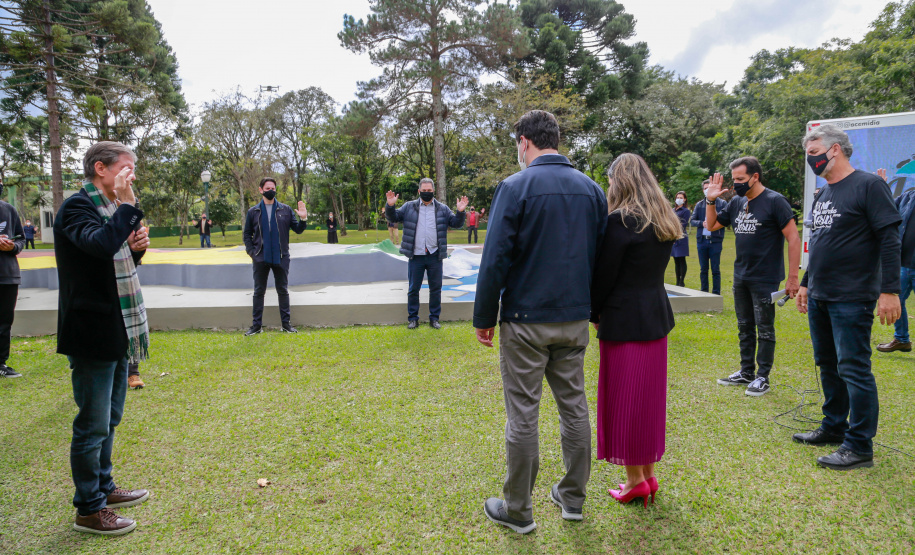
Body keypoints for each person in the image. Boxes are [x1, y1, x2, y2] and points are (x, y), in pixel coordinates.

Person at [474, 110, 607, 534]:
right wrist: (597, 312)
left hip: (525, 321)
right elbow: (601, 260)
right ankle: (572, 499)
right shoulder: (591, 189)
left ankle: (518, 509)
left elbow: (494, 257)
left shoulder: (515, 187)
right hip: (575, 320)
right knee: (574, 408)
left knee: (523, 415)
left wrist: (483, 317)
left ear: (525, 141)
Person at [54, 141, 152, 535]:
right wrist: (128, 209)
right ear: (100, 169)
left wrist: (135, 250)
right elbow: (97, 245)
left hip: (116, 326)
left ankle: (105, 487)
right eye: (126, 168)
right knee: (92, 424)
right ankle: (89, 510)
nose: (131, 176)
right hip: (90, 330)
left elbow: (112, 256)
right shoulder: (77, 206)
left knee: (109, 419)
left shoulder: (110, 208)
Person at [794, 125, 902, 470]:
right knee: (827, 364)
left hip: (853, 296)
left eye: (814, 153)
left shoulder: (869, 185)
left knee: (854, 368)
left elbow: (889, 239)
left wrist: (890, 290)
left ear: (835, 149)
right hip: (821, 294)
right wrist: (807, 282)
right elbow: (820, 243)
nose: (811, 161)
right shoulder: (824, 194)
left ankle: (859, 446)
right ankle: (833, 426)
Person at [591, 153, 680, 508]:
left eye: (611, 179)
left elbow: (604, 276)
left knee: (626, 404)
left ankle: (633, 482)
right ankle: (647, 475)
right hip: (655, 320)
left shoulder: (620, 221)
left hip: (623, 321)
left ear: (619, 180)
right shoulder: (663, 218)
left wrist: (593, 312)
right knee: (647, 403)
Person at [705, 156, 801, 397]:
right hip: (741, 275)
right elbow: (711, 225)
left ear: (755, 177)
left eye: (740, 179)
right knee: (744, 325)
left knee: (764, 328)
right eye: (734, 179)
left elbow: (793, 238)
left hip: (765, 277)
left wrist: (792, 278)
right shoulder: (737, 202)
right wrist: (710, 199)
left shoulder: (775, 201)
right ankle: (747, 371)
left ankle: (762, 377)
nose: (736, 184)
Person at [385, 178, 467, 329]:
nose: (427, 193)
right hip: (416, 255)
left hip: (435, 255)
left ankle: (434, 318)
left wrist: (460, 212)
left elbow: (456, 223)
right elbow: (393, 217)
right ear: (419, 191)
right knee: (413, 289)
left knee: (435, 289)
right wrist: (390, 206)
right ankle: (413, 318)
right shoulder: (409, 207)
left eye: (429, 191)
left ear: (433, 191)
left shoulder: (443, 209)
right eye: (424, 190)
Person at [242, 178, 308, 335]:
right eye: (267, 187)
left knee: (282, 290)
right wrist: (252, 252)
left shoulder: (285, 210)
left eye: (273, 187)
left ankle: (286, 325)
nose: (270, 190)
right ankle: (256, 326)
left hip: (281, 257)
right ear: (261, 190)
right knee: (259, 291)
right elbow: (247, 234)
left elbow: (298, 229)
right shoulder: (253, 212)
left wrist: (303, 218)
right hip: (260, 257)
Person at [877, 171, 914, 353]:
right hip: (904, 263)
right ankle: (902, 339)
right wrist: (882, 187)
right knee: (895, 301)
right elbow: (888, 209)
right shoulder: (907, 197)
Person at [0, 191, 25, 378]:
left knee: (4, 322)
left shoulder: (9, 210)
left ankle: (1, 363)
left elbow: (20, 238)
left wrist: (13, 246)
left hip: (8, 275)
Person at [691, 179, 727, 294]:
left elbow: (726, 220)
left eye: (709, 188)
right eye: (705, 188)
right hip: (701, 241)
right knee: (703, 269)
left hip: (715, 241)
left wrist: (714, 223)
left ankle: (716, 293)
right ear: (703, 190)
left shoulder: (722, 204)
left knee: (715, 269)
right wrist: (702, 223)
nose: (707, 190)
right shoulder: (699, 204)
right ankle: (704, 292)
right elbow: (692, 221)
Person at [671, 191, 690, 287]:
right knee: (676, 260)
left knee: (681, 259)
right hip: (672, 237)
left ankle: (682, 281)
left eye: (681, 197)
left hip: (681, 237)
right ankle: (677, 280)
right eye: (677, 197)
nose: (679, 199)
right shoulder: (672, 210)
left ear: (684, 199)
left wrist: (675, 233)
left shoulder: (686, 211)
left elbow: (683, 224)